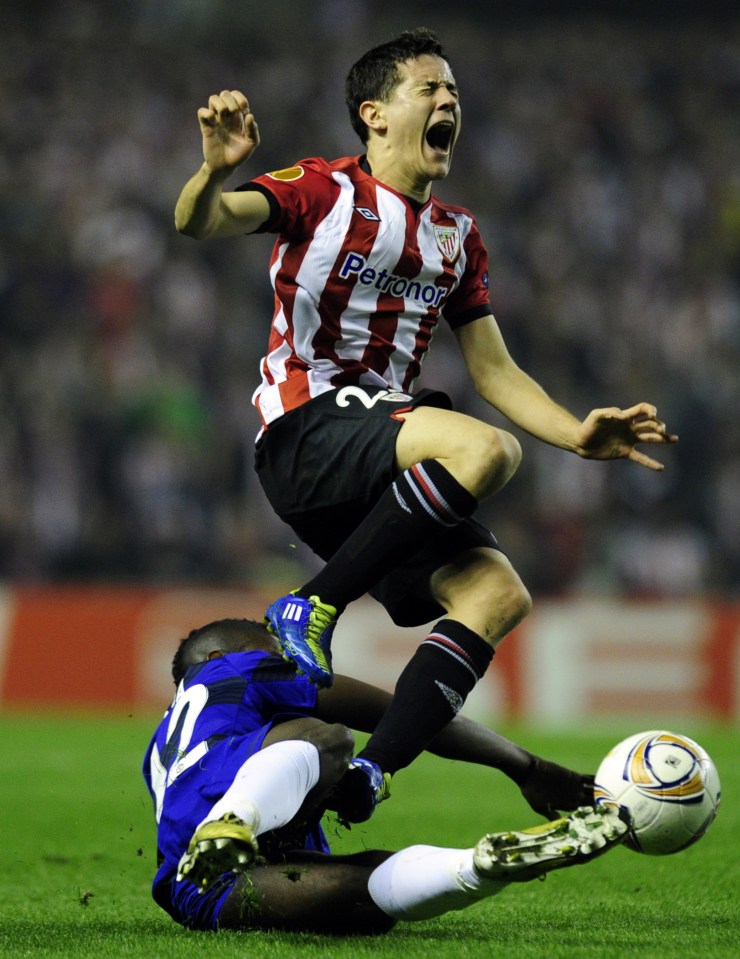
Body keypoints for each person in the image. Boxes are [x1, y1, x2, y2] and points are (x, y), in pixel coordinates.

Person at [174, 28, 677, 821]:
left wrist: (578, 433)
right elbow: (202, 221)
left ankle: (368, 775)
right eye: (429, 89)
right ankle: (311, 604)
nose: (450, 102)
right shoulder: (320, 189)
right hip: (305, 430)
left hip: (374, 473)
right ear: (374, 115)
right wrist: (214, 168)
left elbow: (495, 368)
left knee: (497, 595)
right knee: (484, 448)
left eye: (455, 94)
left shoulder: (458, 236)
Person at [143, 617, 628, 933]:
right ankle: (234, 819)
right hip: (231, 811)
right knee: (327, 738)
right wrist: (527, 765)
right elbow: (401, 716)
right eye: (273, 651)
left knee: (365, 898)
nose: (287, 662)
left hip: (196, 890)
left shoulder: (162, 748)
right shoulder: (233, 671)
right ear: (217, 658)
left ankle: (481, 865)